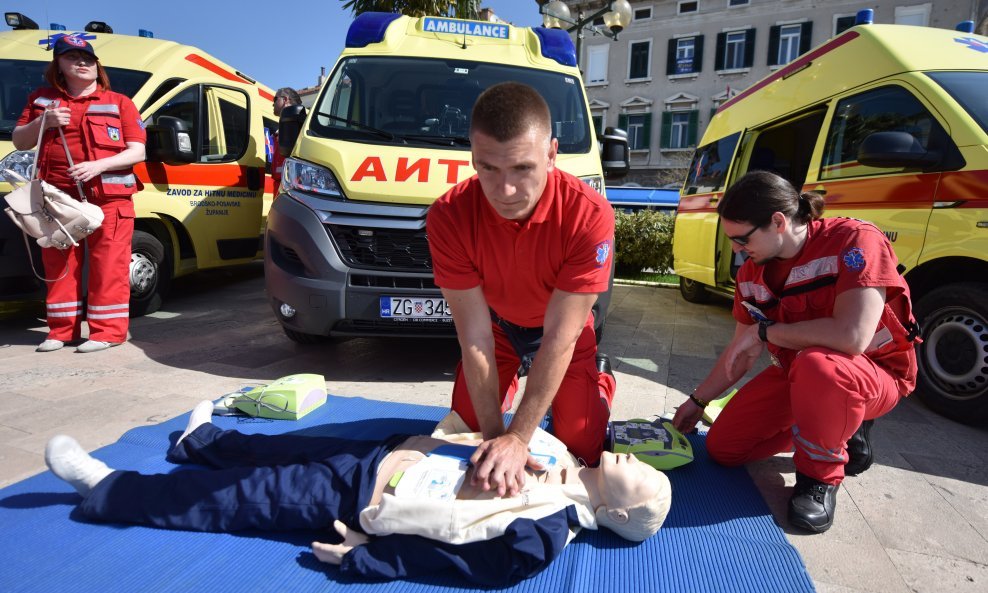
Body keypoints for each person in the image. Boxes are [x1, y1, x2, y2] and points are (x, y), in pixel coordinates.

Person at [44, 401, 671, 586]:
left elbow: (478, 566)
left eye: (643, 476)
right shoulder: (557, 449)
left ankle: (108, 489)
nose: (635, 459)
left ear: (616, 512)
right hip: (392, 453)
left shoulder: (548, 528)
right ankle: (200, 442)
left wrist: (374, 555)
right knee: (279, 449)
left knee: (244, 498)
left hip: (361, 501)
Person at [671, 170, 919, 533]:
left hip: (870, 374)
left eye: (741, 239)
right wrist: (696, 401)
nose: (738, 251)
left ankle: (819, 478)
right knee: (725, 449)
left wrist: (769, 331)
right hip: (799, 376)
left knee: (819, 366)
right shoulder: (750, 277)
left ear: (777, 222)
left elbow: (853, 338)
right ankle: (836, 424)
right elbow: (740, 350)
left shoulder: (854, 241)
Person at [425, 82, 616, 498]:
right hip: (496, 327)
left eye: (522, 169)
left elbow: (560, 339)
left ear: (551, 154)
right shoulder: (448, 214)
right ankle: (506, 389)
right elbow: (473, 337)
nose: (505, 192)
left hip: (563, 331)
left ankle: (601, 383)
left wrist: (520, 437)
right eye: (488, 169)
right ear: (473, 157)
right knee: (471, 428)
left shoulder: (590, 214)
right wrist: (497, 438)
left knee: (584, 445)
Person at [12, 34, 146, 353]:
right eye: (72, 57)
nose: (82, 62)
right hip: (57, 197)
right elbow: (20, 141)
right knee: (59, 263)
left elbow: (137, 151)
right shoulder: (41, 100)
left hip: (110, 197)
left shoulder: (120, 102)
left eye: (88, 58)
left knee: (109, 264)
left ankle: (108, 332)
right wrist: (43, 121)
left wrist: (98, 166)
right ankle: (61, 331)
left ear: (97, 65)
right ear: (57, 64)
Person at [271, 87, 302, 189]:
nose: (273, 103)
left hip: (289, 187)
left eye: (275, 99)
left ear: (285, 100)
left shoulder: (299, 127)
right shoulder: (280, 131)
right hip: (280, 186)